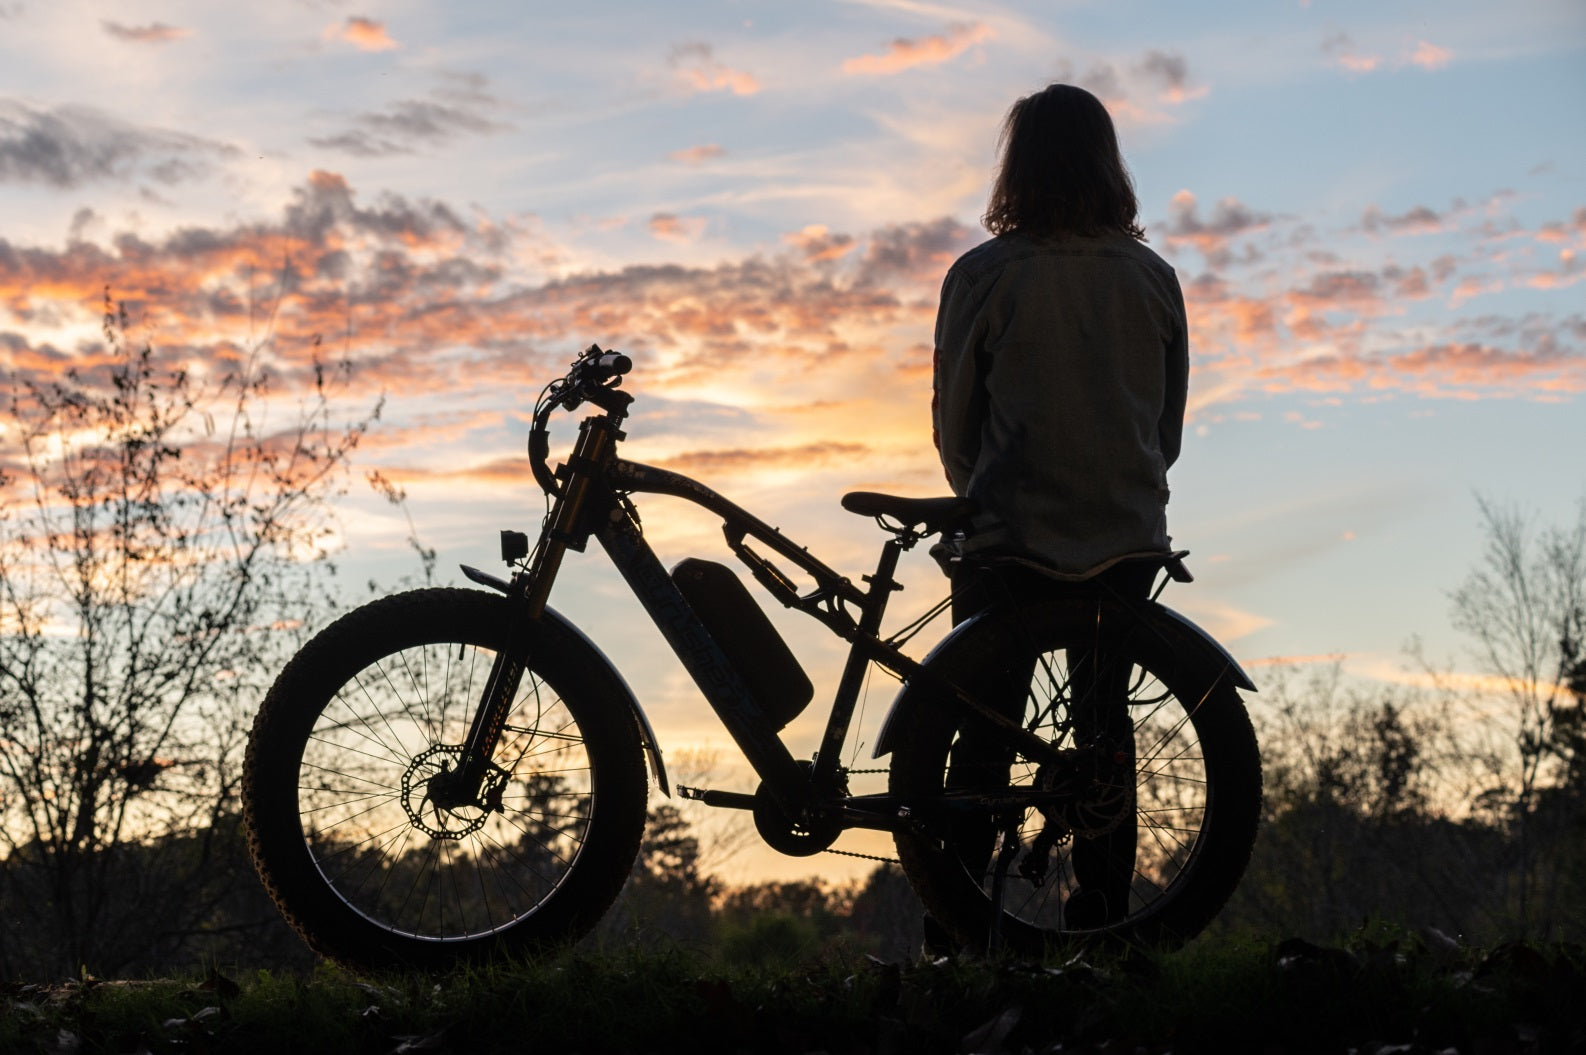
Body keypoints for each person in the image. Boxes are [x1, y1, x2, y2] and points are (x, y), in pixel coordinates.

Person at [929, 83, 1189, 934]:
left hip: (1009, 539)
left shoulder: (981, 276)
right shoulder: (1154, 280)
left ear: (1017, 168)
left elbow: (955, 426)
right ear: (1108, 163)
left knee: (985, 729)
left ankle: (962, 926)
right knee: (1104, 730)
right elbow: (1166, 430)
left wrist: (984, 499)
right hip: (1124, 538)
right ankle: (1105, 916)